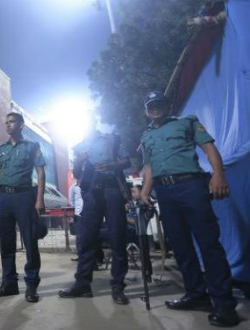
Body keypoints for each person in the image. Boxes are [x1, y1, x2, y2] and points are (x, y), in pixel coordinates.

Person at [140, 91, 238, 327]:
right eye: (150, 105)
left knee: (208, 243)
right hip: (165, 192)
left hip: (191, 186)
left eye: (158, 104)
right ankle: (197, 295)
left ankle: (224, 304)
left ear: (167, 105)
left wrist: (218, 175)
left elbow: (208, 148)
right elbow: (150, 166)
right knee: (181, 246)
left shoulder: (187, 122)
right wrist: (145, 191)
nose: (155, 108)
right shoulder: (146, 136)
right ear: (146, 110)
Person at [58, 123, 131, 305]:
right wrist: (79, 161)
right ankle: (82, 285)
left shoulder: (111, 139)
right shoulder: (81, 145)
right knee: (86, 239)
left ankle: (117, 287)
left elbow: (127, 160)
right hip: (90, 194)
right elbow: (76, 174)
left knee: (117, 238)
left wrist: (111, 164)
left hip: (112, 190)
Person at [0, 112, 46, 303]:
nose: (8, 125)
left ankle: (31, 285)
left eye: (12, 121)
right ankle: (9, 283)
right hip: (4, 198)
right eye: (6, 122)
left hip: (24, 197)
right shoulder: (2, 149)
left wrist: (39, 199)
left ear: (21, 125)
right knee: (6, 243)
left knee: (30, 242)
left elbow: (40, 172)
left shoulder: (32, 146)